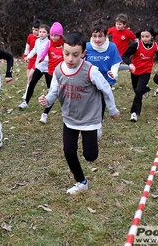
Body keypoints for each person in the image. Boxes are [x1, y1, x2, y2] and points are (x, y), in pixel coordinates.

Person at [38, 32, 120, 195]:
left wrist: (112, 109)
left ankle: (96, 132)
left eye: (75, 55)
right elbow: (54, 90)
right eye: (66, 54)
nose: (70, 59)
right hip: (69, 118)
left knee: (90, 156)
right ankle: (81, 182)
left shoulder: (91, 71)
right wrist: (47, 100)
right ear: (62, 51)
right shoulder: (58, 70)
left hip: (90, 118)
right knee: (69, 151)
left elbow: (106, 89)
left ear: (83, 54)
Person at [122, 26, 158, 122]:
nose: (144, 39)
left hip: (146, 71)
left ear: (152, 36)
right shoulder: (136, 45)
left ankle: (134, 113)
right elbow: (125, 55)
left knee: (138, 91)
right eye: (142, 36)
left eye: (147, 36)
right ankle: (146, 89)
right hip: (135, 70)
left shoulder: (156, 46)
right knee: (137, 89)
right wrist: (130, 63)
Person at [85, 20, 122, 118]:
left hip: (105, 79)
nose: (97, 39)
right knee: (90, 103)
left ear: (106, 35)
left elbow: (115, 63)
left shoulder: (112, 47)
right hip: (90, 80)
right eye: (94, 36)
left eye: (100, 36)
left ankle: (99, 122)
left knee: (102, 102)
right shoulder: (87, 47)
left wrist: (113, 73)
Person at [34, 21, 64, 124]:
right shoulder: (49, 43)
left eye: (56, 35)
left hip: (64, 74)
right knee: (52, 93)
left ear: (60, 35)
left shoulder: (65, 44)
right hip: (52, 73)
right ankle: (45, 114)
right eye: (52, 35)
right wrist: (39, 59)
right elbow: (43, 53)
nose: (54, 37)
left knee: (65, 94)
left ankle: (70, 114)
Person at [18, 23, 50, 110]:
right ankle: (26, 102)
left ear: (48, 34)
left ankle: (50, 102)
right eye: (40, 31)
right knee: (32, 83)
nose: (41, 33)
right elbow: (34, 51)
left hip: (48, 68)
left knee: (50, 86)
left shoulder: (49, 43)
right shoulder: (37, 41)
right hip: (39, 67)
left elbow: (49, 55)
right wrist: (27, 56)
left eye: (44, 32)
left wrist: (44, 59)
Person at [22, 20, 41, 99]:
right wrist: (25, 55)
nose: (34, 32)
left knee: (30, 76)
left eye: (36, 30)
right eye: (33, 29)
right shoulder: (30, 37)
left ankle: (27, 93)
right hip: (31, 59)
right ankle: (27, 91)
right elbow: (27, 46)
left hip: (38, 60)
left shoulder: (42, 39)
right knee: (29, 77)